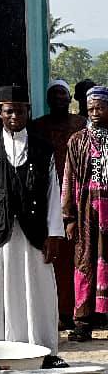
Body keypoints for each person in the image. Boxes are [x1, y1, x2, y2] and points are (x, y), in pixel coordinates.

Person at [0, 84, 64, 365]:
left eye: (20, 110)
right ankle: (1, 353)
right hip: (0, 235)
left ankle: (43, 352)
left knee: (39, 291)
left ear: (28, 112)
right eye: (9, 111)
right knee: (2, 291)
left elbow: (52, 194)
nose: (15, 116)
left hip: (35, 233)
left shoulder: (42, 149)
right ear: (0, 113)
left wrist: (54, 234)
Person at [31, 79, 87, 328]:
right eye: (54, 95)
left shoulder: (81, 124)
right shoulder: (38, 127)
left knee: (78, 254)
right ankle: (56, 312)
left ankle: (78, 311)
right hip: (47, 195)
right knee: (53, 256)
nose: (59, 99)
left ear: (69, 98)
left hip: (78, 195)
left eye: (63, 94)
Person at [63, 85, 108, 342]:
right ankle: (82, 323)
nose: (95, 113)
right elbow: (68, 179)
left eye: (100, 107)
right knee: (85, 264)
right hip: (86, 213)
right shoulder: (77, 140)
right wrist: (68, 218)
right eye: (90, 108)